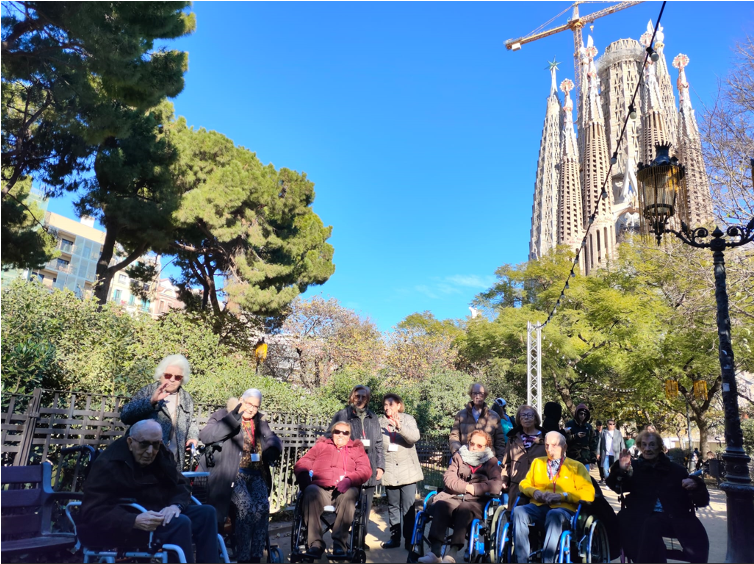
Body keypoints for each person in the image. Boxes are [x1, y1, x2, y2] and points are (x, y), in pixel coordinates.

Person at [79, 420, 219, 563]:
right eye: (144, 444)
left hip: (156, 513)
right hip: (124, 524)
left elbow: (181, 484)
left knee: (206, 513)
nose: (150, 451)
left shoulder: (161, 454)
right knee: (180, 522)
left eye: (156, 444)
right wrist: (133, 520)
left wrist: (176, 505)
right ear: (130, 442)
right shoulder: (109, 463)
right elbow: (91, 511)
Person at [200, 389, 282, 563]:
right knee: (246, 508)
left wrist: (273, 448)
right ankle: (243, 557)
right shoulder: (223, 415)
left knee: (262, 508)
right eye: (248, 404)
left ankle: (256, 556)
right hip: (232, 474)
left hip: (255, 472)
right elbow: (206, 436)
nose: (251, 409)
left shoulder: (259, 421)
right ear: (240, 400)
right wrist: (233, 418)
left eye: (255, 406)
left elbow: (271, 437)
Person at [606, 430, 709, 563]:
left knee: (697, 538)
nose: (647, 449)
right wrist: (621, 469)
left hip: (673, 516)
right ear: (639, 446)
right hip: (639, 515)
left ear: (660, 447)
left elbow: (702, 501)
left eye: (652, 445)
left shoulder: (677, 470)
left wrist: (695, 484)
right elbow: (616, 487)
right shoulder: (634, 467)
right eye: (644, 445)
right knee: (648, 525)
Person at [418, 430, 503, 564]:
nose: (474, 447)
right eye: (472, 443)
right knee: (441, 505)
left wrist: (475, 489)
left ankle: (452, 555)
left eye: (479, 445)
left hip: (476, 502)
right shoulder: (459, 456)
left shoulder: (491, 462)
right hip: (454, 496)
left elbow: (496, 484)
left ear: (486, 447)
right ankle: (435, 553)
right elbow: (449, 478)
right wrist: (465, 487)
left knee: (465, 508)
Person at [512, 431, 595, 563]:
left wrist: (563, 496)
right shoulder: (537, 463)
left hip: (563, 510)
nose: (549, 449)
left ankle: (548, 560)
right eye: (546, 446)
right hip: (539, 507)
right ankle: (521, 560)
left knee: (554, 514)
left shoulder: (576, 466)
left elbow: (589, 493)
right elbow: (524, 484)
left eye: (554, 445)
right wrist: (534, 492)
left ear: (565, 447)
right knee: (518, 511)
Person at [294, 421, 372, 559]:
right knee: (310, 492)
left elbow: (365, 470)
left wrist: (349, 480)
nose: (341, 435)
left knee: (348, 496)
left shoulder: (356, 449)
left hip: (345, 489)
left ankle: (339, 544)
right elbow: (303, 462)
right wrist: (305, 479)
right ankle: (315, 544)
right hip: (320, 489)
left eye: (345, 432)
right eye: (337, 432)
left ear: (349, 436)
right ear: (332, 433)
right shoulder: (321, 446)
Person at [121, 354, 198, 472]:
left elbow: (191, 420)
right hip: (146, 458)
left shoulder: (186, 398)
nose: (172, 379)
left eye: (177, 377)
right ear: (160, 375)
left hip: (173, 459)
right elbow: (125, 415)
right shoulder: (148, 391)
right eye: (168, 375)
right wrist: (150, 401)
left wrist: (192, 436)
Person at [330, 385, 385, 548]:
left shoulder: (373, 417)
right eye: (357, 395)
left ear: (367, 399)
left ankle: (360, 539)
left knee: (366, 506)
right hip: (348, 466)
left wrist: (380, 466)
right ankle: (343, 540)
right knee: (348, 504)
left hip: (370, 466)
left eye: (363, 396)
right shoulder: (342, 414)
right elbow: (330, 436)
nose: (360, 399)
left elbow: (379, 443)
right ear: (352, 396)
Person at [378, 393, 423, 550]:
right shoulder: (379, 422)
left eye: (391, 404)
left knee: (408, 508)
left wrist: (399, 427)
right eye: (385, 404)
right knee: (393, 507)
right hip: (390, 471)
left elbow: (414, 437)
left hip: (408, 471)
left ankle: (409, 540)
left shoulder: (408, 419)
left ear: (398, 405)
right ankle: (394, 538)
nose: (387, 407)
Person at [501, 405, 547, 509]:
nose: (526, 418)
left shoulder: (545, 437)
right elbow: (507, 462)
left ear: (535, 418)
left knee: (536, 518)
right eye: (523, 415)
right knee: (514, 516)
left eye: (530, 415)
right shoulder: (512, 437)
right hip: (517, 484)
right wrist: (504, 479)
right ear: (519, 419)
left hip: (539, 486)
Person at [449, 383, 506, 459]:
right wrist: (457, 452)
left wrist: (500, 460)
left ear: (485, 395)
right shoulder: (461, 415)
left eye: (480, 393)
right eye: (475, 393)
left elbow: (499, 442)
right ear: (471, 395)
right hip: (465, 459)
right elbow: (454, 436)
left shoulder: (494, 416)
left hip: (487, 460)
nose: (477, 396)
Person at [564, 403, 598, 470]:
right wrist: (575, 436)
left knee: (585, 479)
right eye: (581, 414)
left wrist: (593, 460)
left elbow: (593, 444)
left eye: (585, 414)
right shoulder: (569, 424)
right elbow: (565, 439)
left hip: (585, 458)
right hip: (572, 458)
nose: (583, 416)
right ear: (577, 414)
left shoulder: (589, 427)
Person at [597, 419, 625, 485]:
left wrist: (623, 453)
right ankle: (608, 482)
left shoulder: (618, 432)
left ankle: (614, 482)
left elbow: (622, 443)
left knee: (615, 469)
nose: (612, 425)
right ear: (607, 424)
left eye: (613, 424)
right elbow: (599, 443)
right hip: (606, 454)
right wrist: (598, 453)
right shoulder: (603, 432)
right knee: (605, 469)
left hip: (616, 454)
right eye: (610, 424)